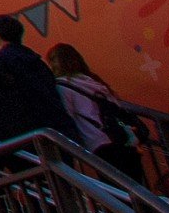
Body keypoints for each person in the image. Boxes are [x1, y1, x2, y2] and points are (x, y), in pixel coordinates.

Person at [45, 42, 155, 186]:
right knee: (137, 186)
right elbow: (117, 107)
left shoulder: (62, 86)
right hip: (123, 139)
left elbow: (67, 117)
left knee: (117, 189)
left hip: (99, 142)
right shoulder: (92, 81)